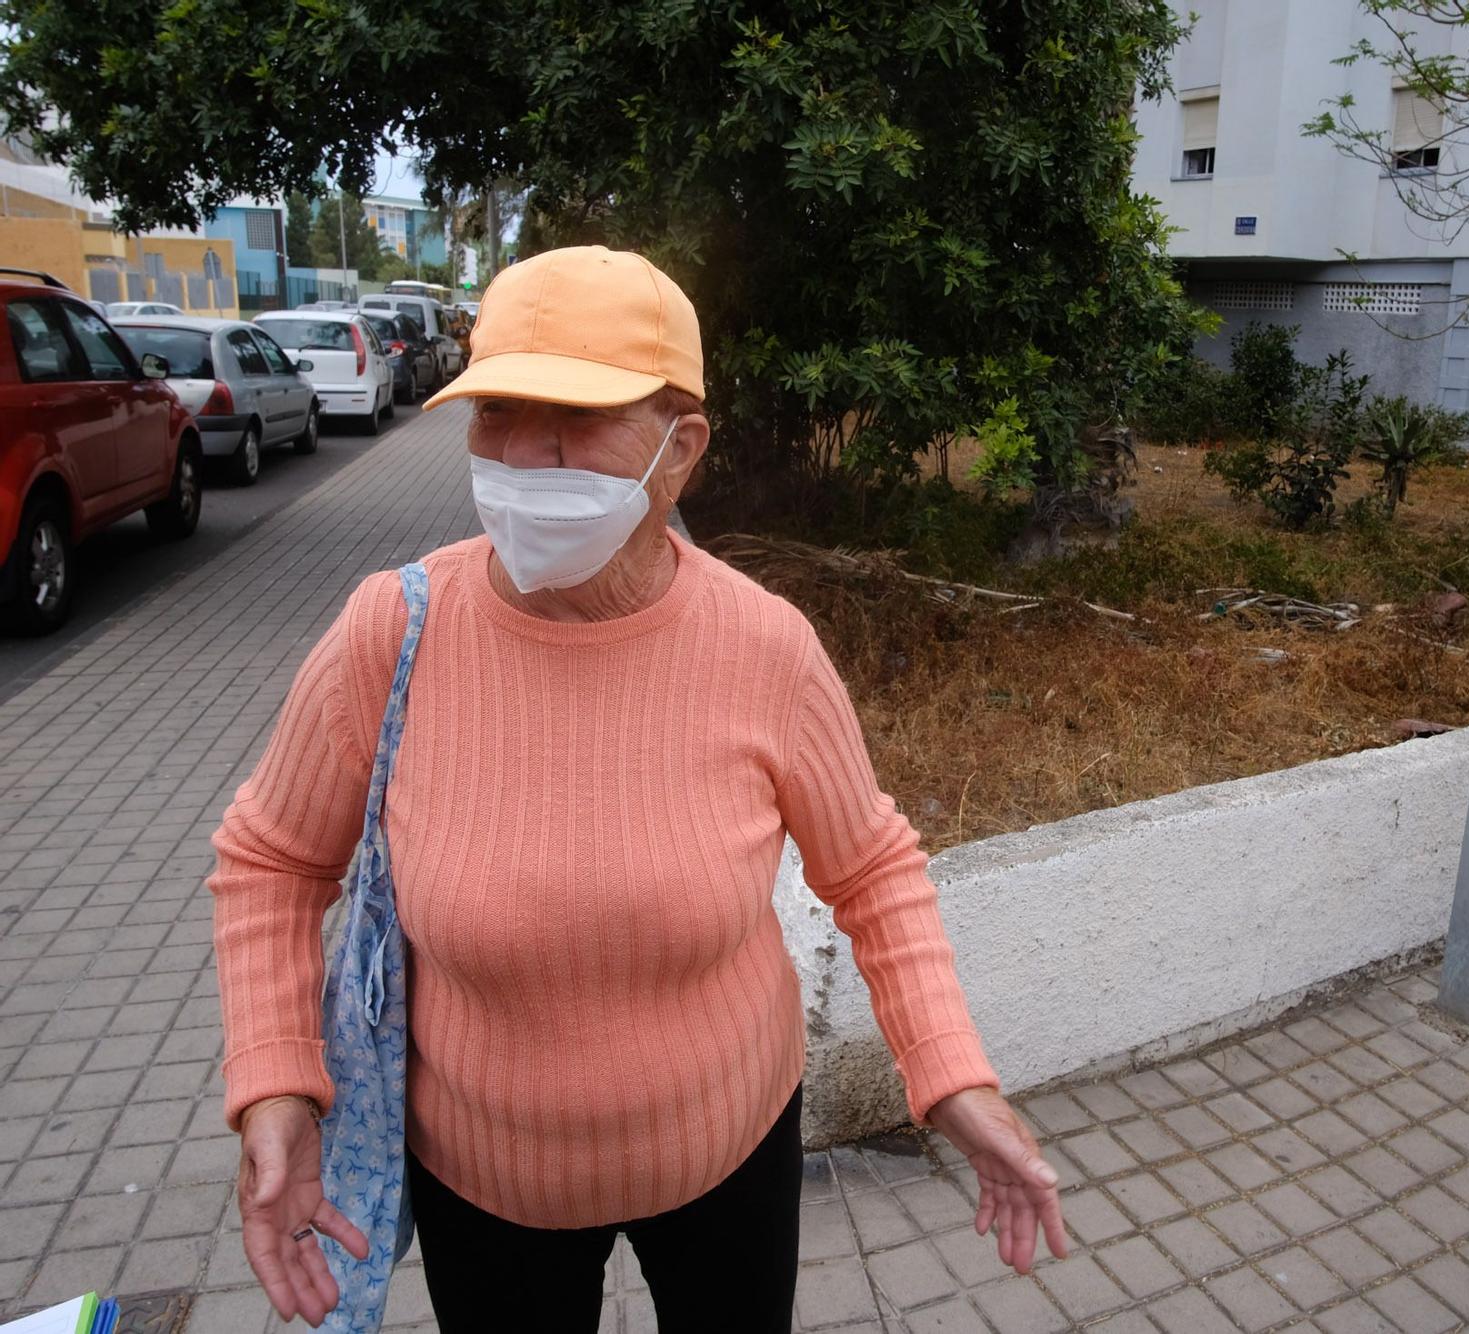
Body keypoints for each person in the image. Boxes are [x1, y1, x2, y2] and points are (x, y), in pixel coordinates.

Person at [209, 245, 1067, 1331]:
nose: (521, 456)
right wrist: (276, 1084)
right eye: (495, 415)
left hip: (730, 1146)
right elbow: (272, 858)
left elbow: (874, 868)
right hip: (486, 1182)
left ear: (681, 447)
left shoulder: (764, 646)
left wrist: (954, 1080)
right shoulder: (394, 629)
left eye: (570, 420)